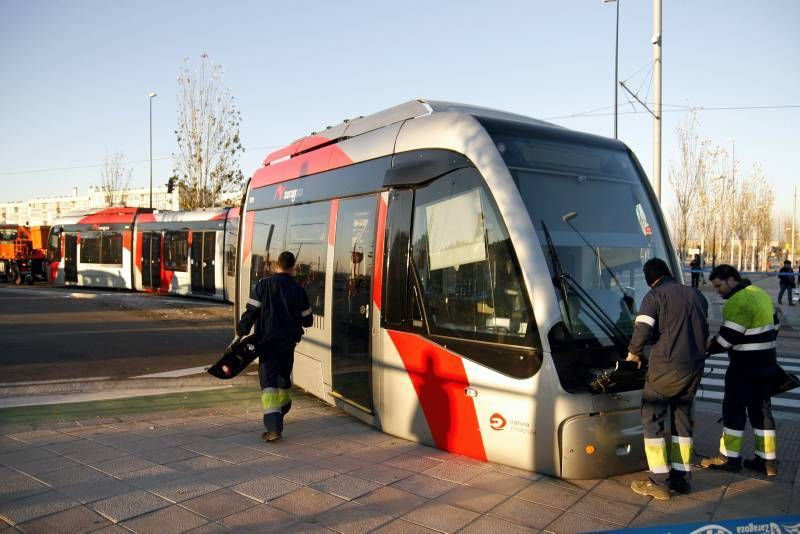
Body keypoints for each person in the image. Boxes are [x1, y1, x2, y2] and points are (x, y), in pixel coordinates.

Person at [626, 258, 709, 501]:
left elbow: (642, 330)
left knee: (652, 419)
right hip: (693, 369)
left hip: (665, 370)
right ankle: (682, 479)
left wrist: (633, 354)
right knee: (682, 422)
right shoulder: (696, 295)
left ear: (650, 279)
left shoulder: (655, 296)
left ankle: (658, 481)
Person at [700, 264, 779, 476]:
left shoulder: (738, 301)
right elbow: (776, 325)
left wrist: (706, 349)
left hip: (744, 368)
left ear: (731, 280)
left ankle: (730, 458)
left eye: (719, 286)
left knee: (733, 410)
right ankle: (768, 461)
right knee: (761, 411)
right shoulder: (760, 294)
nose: (718, 291)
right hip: (768, 364)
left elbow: (726, 339)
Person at [233, 251, 313, 441]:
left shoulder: (263, 285)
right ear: (293, 267)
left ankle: (274, 427)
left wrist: (240, 333)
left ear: (277, 265)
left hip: (266, 343)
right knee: (284, 377)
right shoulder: (299, 289)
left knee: (268, 383)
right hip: (288, 344)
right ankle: (283, 408)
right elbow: (308, 320)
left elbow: (250, 313)